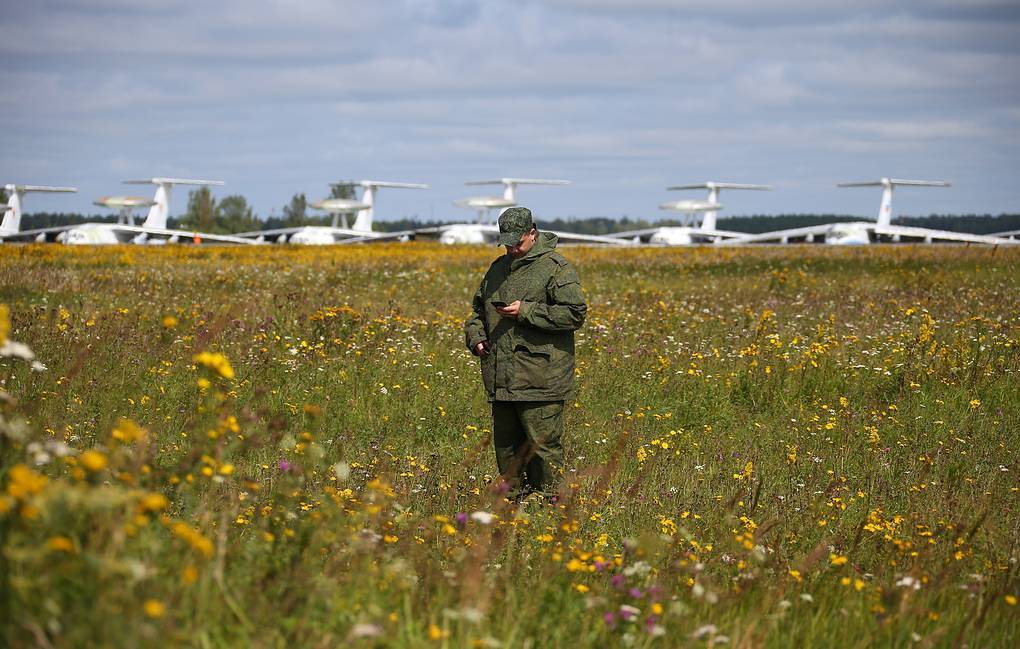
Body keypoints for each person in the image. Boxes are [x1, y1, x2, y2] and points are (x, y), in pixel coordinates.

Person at [464, 206, 587, 502]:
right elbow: (477, 312)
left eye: (517, 243)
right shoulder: (497, 268)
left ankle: (551, 505)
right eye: (506, 243)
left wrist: (527, 311)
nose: (511, 249)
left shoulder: (556, 267)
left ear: (532, 234)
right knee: (506, 447)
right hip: (501, 376)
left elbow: (574, 314)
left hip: (541, 378)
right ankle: (513, 504)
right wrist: (476, 337)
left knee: (543, 446)